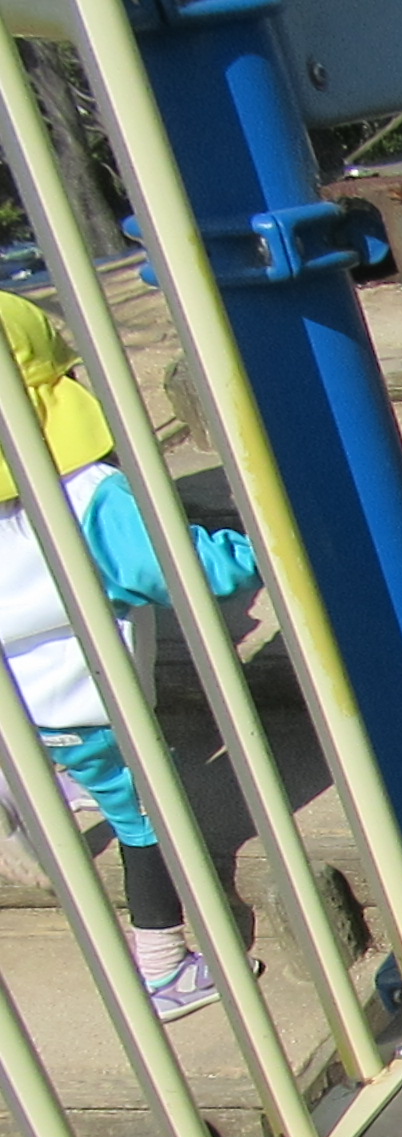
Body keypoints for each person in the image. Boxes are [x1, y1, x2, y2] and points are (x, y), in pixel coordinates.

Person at [0, 292, 259, 1023]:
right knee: (147, 819)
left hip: (17, 706)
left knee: (54, 754)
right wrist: (256, 549)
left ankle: (38, 787)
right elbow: (181, 569)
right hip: (88, 705)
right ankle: (164, 966)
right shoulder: (86, 498)